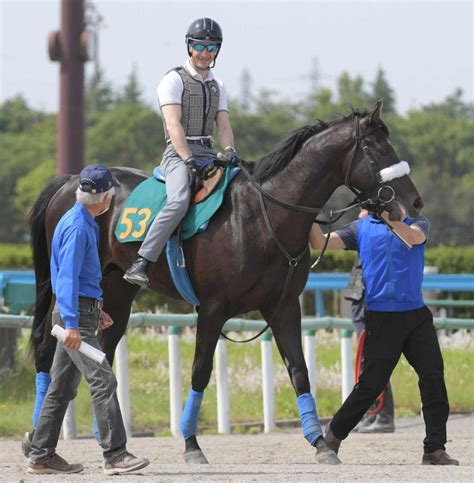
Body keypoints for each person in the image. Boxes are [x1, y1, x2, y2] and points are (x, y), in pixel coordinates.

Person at [309, 208, 459, 465]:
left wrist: (391, 218)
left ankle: (434, 449)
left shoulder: (418, 222)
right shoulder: (360, 228)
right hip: (381, 316)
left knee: (433, 376)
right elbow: (318, 243)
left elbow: (413, 238)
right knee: (371, 384)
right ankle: (333, 436)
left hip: (416, 316)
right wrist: (309, 212)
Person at [28, 164, 150, 475]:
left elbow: (78, 278)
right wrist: (72, 323)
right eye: (111, 195)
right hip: (74, 317)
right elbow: (66, 278)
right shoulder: (78, 227)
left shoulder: (85, 223)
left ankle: (41, 454)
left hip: (81, 312)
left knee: (61, 388)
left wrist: (99, 309)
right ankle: (116, 454)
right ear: (106, 197)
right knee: (103, 380)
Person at [124, 17, 237, 287]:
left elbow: (223, 124)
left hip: (208, 151)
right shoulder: (173, 80)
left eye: (211, 47)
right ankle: (142, 261)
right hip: (178, 152)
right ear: (189, 46)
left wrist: (231, 150)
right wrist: (187, 159)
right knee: (178, 200)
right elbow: (173, 124)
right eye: (199, 46)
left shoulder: (218, 85)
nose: (205, 53)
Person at [344, 210, 395, 433]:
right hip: (358, 296)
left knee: (374, 361)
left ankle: (383, 414)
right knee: (364, 362)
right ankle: (372, 412)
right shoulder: (363, 229)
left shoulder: (380, 229)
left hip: (369, 300)